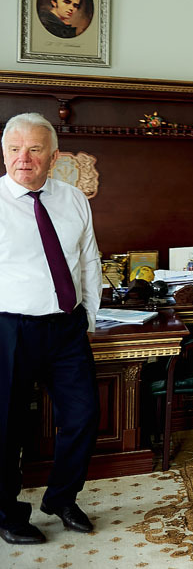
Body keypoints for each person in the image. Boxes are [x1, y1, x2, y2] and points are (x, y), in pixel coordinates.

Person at [0, 112, 101, 544]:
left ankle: (62, 497)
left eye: (34, 149)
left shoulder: (74, 198)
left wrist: (88, 316)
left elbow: (89, 259)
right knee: (7, 427)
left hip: (66, 328)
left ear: (54, 156)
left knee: (84, 416)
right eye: (14, 149)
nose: (23, 158)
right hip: (9, 329)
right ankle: (7, 515)